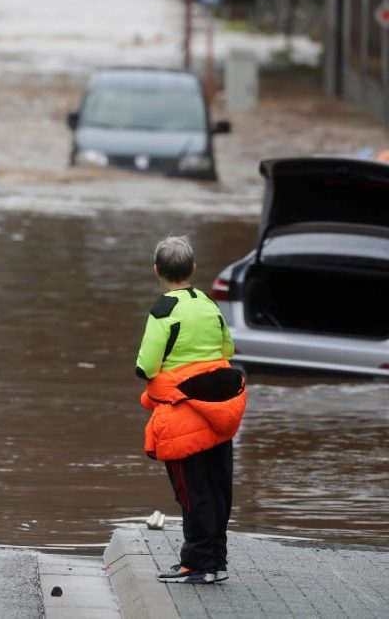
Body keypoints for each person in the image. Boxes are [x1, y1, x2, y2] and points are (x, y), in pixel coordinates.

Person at [135, 235, 247, 584]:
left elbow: (146, 367)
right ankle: (215, 562)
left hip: (184, 414)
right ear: (193, 269)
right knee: (217, 488)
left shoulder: (163, 310)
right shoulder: (209, 304)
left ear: (157, 270)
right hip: (220, 410)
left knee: (191, 490)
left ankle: (196, 565)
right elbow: (228, 346)